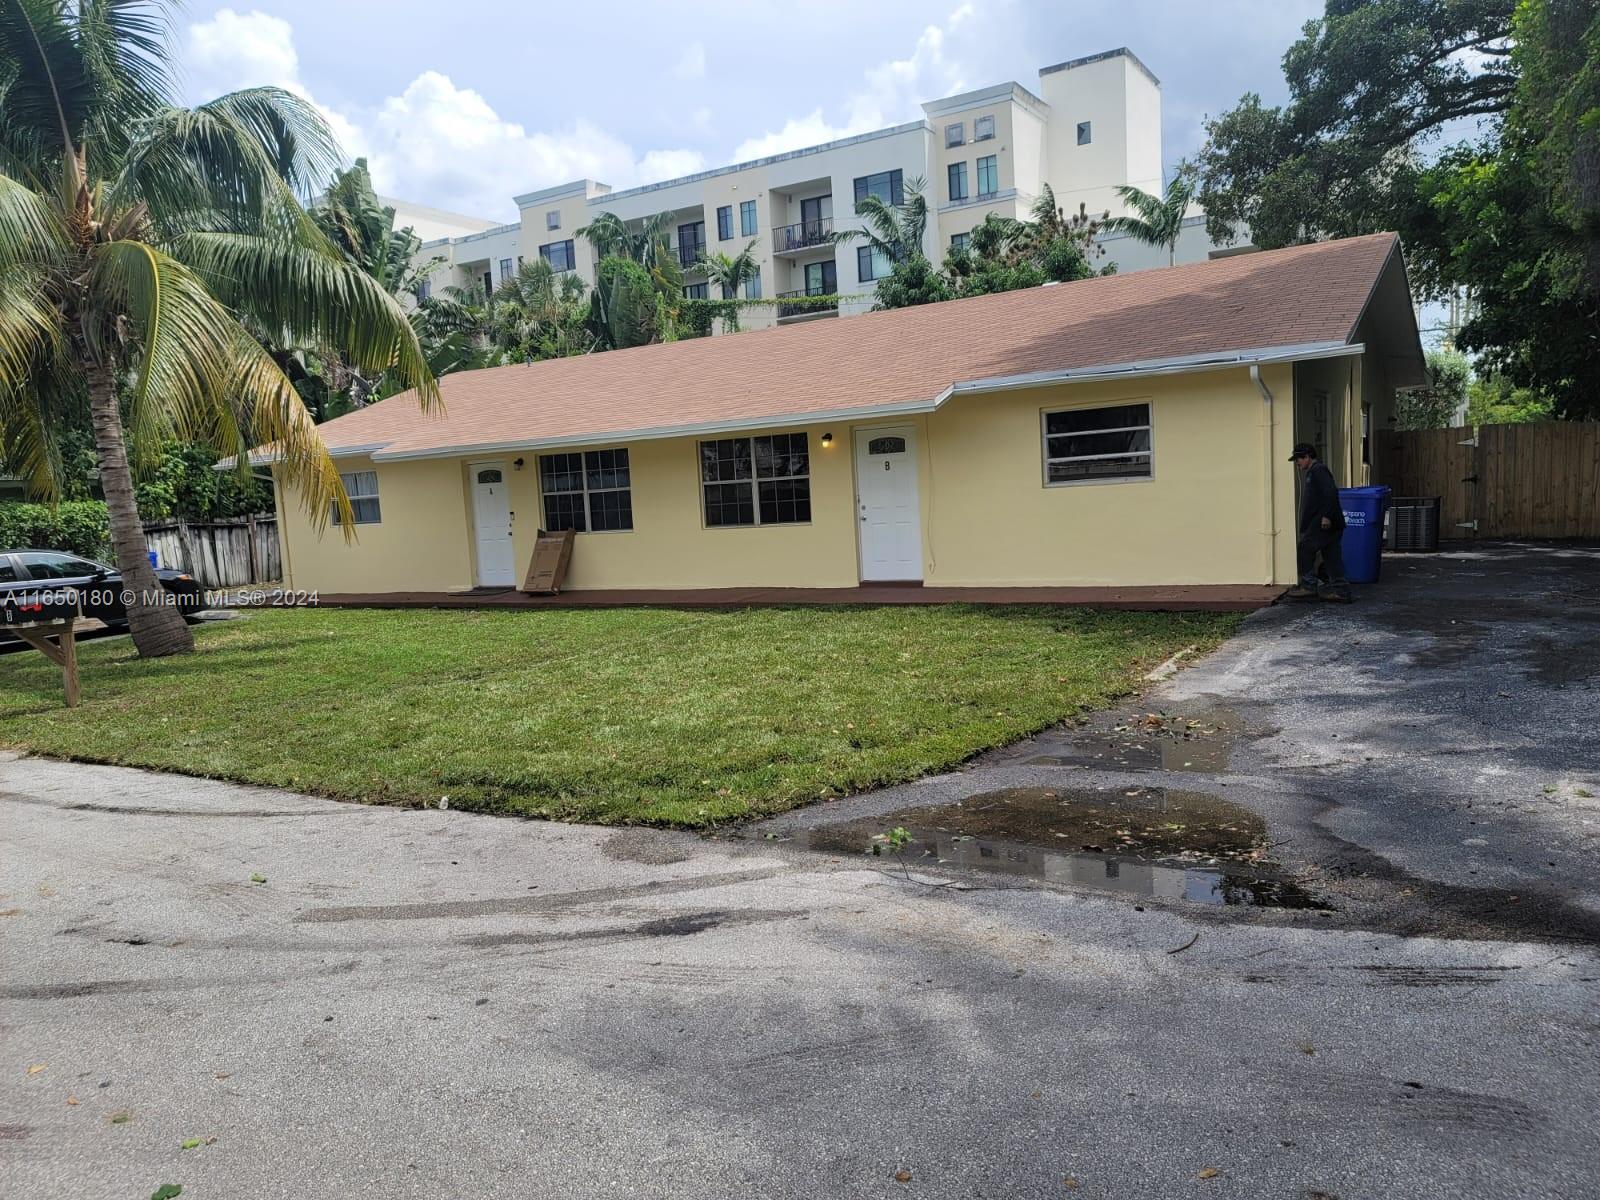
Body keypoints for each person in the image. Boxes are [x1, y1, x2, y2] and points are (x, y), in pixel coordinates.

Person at [1287, 442, 1352, 602]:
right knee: (1331, 556)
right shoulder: (1314, 472)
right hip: (1330, 523)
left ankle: (1308, 586)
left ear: (1307, 456)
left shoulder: (1318, 471)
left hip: (1325, 523)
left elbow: (1331, 492)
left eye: (1299, 459)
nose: (1297, 463)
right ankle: (1341, 591)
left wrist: (1326, 516)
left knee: (1305, 548)